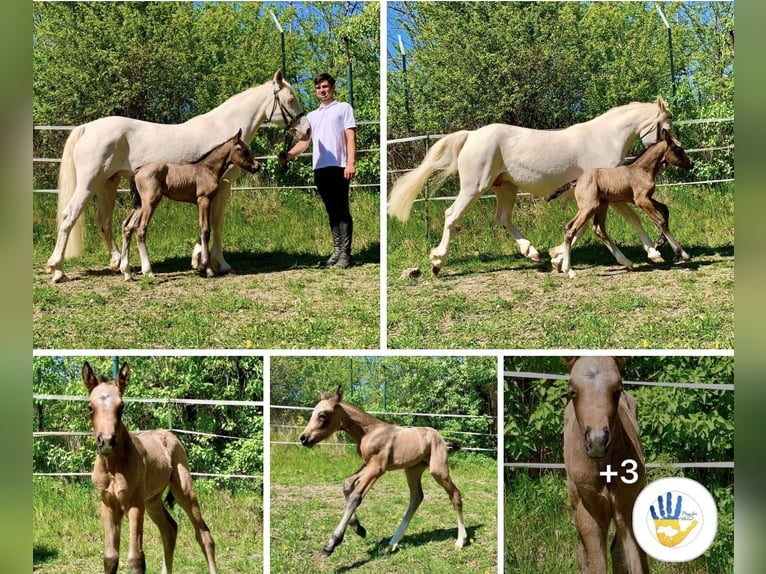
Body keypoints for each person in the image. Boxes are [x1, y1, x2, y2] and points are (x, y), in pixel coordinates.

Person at [279, 73, 357, 268]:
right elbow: (304, 143)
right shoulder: (312, 116)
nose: (322, 91)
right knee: (331, 211)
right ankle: (337, 251)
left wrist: (350, 163)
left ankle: (346, 255)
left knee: (342, 209)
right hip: (320, 168)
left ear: (332, 87)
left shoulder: (343, 108)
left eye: (325, 86)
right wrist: (288, 155)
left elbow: (350, 137)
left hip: (339, 166)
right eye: (318, 88)